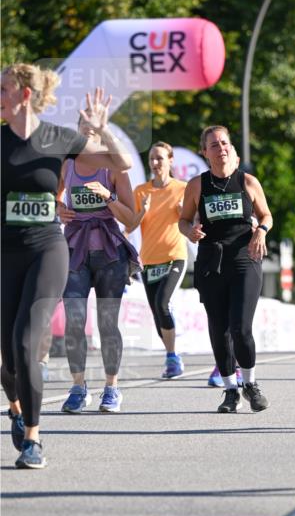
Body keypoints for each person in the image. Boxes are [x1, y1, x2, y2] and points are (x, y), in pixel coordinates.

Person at [1, 67, 131, 468]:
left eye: (3, 88)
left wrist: (101, 130)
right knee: (8, 356)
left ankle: (34, 440)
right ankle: (17, 407)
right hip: (6, 253)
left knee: (26, 341)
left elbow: (121, 163)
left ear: (24, 94)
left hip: (48, 249)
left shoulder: (58, 138)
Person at [179, 125, 271, 412]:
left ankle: (251, 384)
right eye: (214, 145)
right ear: (205, 152)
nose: (221, 149)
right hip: (211, 261)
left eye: (224, 143)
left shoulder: (248, 182)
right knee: (219, 329)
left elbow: (266, 214)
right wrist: (189, 232)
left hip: (245, 257)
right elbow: (183, 220)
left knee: (241, 327)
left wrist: (261, 231)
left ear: (232, 147)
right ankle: (231, 390)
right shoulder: (197, 185)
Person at [57, 130, 139, 413]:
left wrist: (109, 197)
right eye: (83, 128)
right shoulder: (67, 166)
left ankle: (111, 388)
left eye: (94, 129)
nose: (88, 133)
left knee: (107, 323)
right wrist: (58, 207)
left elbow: (131, 218)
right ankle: (78, 387)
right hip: (74, 250)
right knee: (75, 321)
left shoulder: (114, 168)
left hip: (109, 253)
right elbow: (52, 197)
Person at [128, 142, 188, 379]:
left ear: (170, 161)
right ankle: (172, 355)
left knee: (163, 303)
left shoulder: (182, 188)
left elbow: (194, 221)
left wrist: (185, 212)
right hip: (149, 260)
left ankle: (172, 357)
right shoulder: (141, 191)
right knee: (156, 312)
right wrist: (142, 210)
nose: (155, 163)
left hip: (175, 256)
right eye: (152, 158)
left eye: (160, 158)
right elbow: (130, 225)